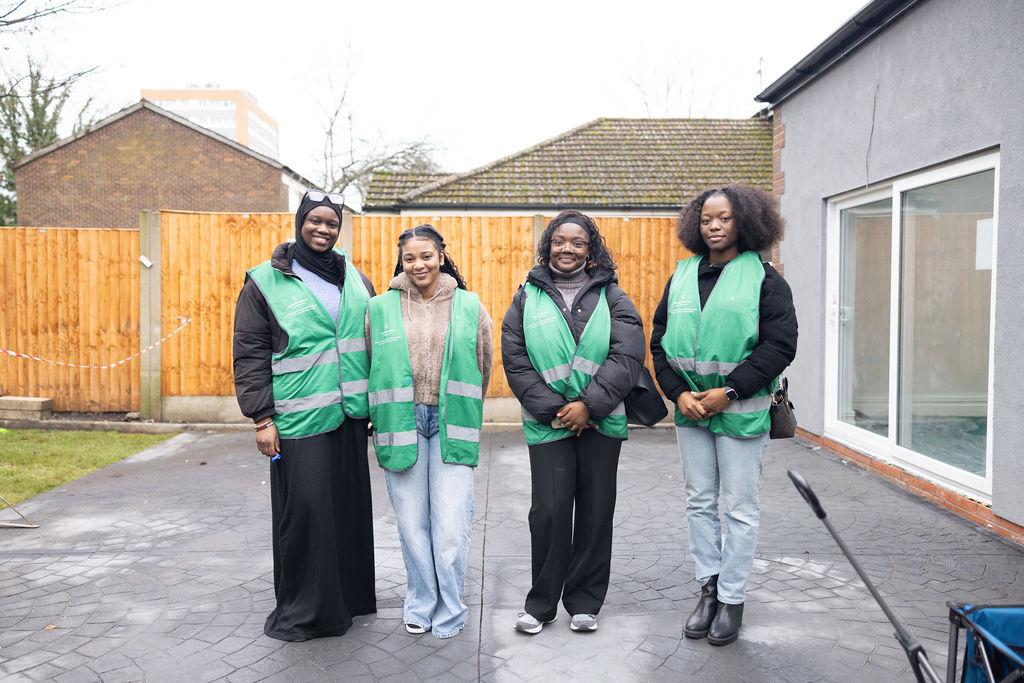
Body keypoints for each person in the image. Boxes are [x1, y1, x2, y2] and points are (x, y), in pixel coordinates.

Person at [651, 184, 797, 646]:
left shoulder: (766, 278)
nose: (714, 225)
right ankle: (708, 590)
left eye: (725, 217)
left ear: (746, 223)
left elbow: (780, 346)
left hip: (742, 410)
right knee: (698, 502)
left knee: (738, 508)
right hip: (692, 412)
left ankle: (733, 599)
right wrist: (677, 394)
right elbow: (658, 341)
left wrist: (729, 391)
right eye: (707, 218)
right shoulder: (681, 276)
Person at [232, 189, 377, 641]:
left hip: (351, 416)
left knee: (348, 511)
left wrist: (376, 404)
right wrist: (262, 419)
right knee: (308, 512)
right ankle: (308, 610)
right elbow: (250, 354)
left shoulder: (356, 277)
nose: (323, 229)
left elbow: (372, 341)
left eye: (332, 223)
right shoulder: (264, 282)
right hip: (297, 422)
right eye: (315, 220)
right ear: (300, 222)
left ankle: (349, 601)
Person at [502, 210, 645, 635]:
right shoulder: (526, 296)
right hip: (549, 423)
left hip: (601, 423)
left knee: (596, 513)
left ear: (590, 248)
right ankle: (541, 603)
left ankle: (584, 602)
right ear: (547, 246)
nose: (568, 249)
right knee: (549, 511)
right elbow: (515, 358)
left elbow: (627, 355)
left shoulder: (613, 296)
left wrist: (588, 406)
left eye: (578, 242)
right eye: (560, 241)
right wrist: (557, 409)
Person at [365, 224, 492, 639]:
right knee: (411, 523)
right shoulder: (380, 308)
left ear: (441, 255)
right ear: (401, 261)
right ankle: (421, 603)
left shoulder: (469, 305)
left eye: (426, 255)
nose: (418, 264)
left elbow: (483, 363)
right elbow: (369, 362)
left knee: (451, 524)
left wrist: (464, 407)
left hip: (450, 420)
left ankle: (451, 608)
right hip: (401, 422)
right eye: (410, 258)